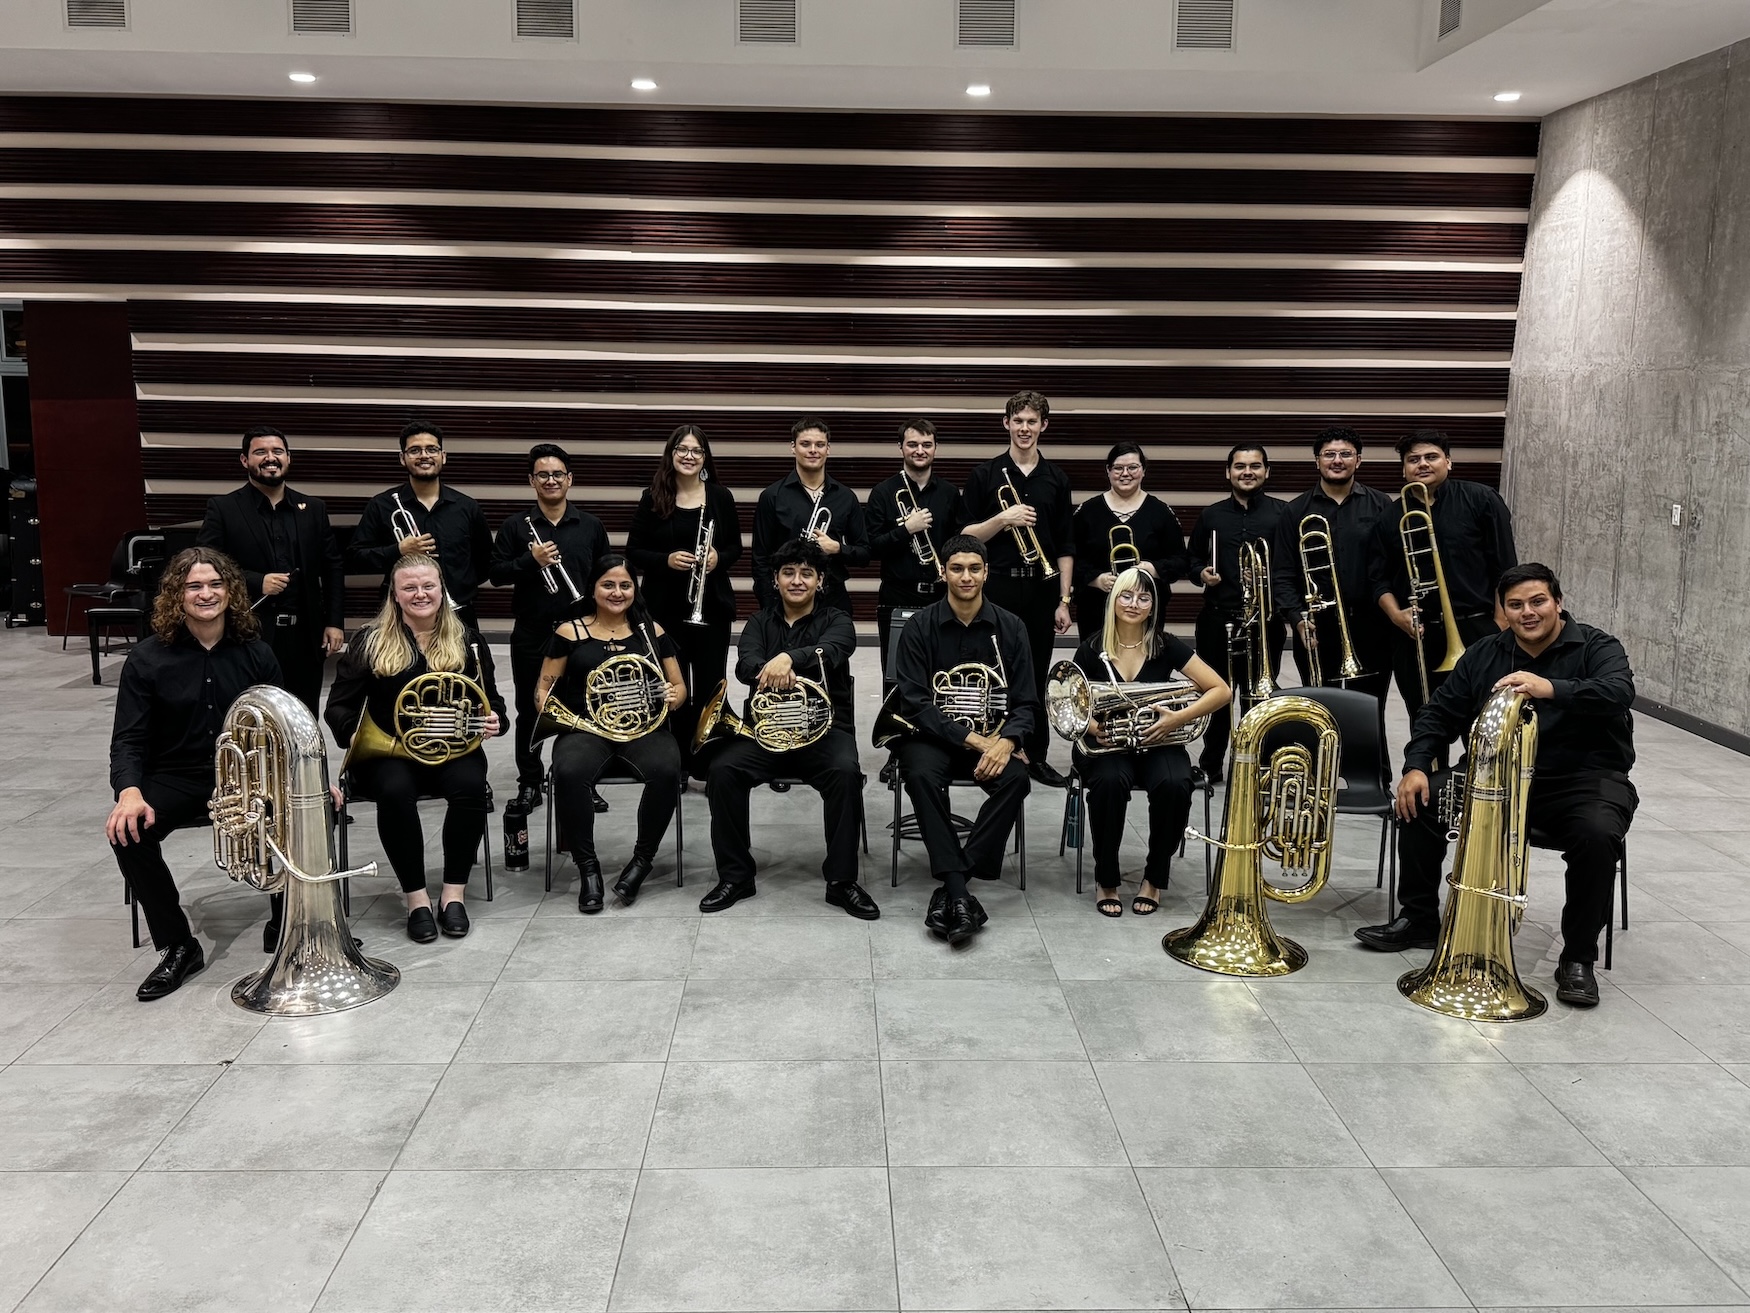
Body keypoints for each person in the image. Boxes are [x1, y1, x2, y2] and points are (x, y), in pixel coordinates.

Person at [1355, 564, 1636, 1009]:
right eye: (1516, 605)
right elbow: (1438, 714)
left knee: (1597, 835)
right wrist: (1415, 765)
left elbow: (1617, 692)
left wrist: (1550, 688)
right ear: (1502, 612)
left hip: (1579, 781)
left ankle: (1577, 958)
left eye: (1538, 601)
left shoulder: (1598, 647)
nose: (1528, 612)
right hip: (1493, 778)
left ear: (1558, 602)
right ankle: (1421, 918)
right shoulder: (1486, 652)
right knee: (1421, 800)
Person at [108, 547, 283, 1000]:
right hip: (176, 775)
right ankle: (179, 946)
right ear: (177, 595)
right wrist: (129, 792)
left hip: (247, 776)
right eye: (194, 586)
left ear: (230, 591)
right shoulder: (147, 659)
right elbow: (128, 739)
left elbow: (283, 726)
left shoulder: (257, 653)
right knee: (128, 831)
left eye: (215, 584)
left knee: (301, 810)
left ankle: (287, 922)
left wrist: (309, 778)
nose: (206, 594)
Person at [326, 554, 505, 943]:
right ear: (394, 593)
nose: (420, 594)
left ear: (442, 590)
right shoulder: (370, 641)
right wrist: (353, 734)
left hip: (454, 748)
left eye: (428, 586)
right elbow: (338, 705)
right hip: (389, 752)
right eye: (410, 587)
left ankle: (453, 894)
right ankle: (417, 898)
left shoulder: (468, 640)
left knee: (471, 788)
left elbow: (492, 702)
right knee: (394, 791)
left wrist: (493, 721)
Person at [699, 538, 878, 919]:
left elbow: (836, 649)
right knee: (722, 770)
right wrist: (771, 666)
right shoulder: (757, 622)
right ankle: (736, 876)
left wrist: (787, 658)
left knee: (846, 774)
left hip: (825, 733)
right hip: (764, 734)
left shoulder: (838, 620)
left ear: (820, 581)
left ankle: (842, 881)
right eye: (788, 573)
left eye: (806, 574)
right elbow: (745, 665)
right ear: (776, 580)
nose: (797, 581)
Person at [891, 534, 1037, 944]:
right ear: (943, 572)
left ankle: (954, 883)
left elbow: (1026, 701)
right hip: (933, 739)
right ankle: (959, 893)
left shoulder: (1011, 626)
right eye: (957, 568)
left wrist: (1006, 741)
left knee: (1017, 780)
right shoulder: (919, 626)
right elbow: (917, 704)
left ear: (986, 572)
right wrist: (977, 741)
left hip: (992, 738)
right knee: (919, 774)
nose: (966, 576)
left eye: (974, 568)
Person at [1068, 568, 1230, 918]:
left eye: (1144, 598)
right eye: (1126, 595)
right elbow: (1069, 703)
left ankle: (1155, 877)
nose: (1134, 604)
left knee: (1175, 783)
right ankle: (1106, 879)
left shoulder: (1166, 645)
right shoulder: (1092, 648)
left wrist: (1178, 718)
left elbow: (1221, 690)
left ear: (1153, 606)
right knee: (1109, 783)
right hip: (1107, 743)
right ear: (1113, 600)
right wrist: (1093, 726)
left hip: (1160, 740)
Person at [536, 556, 686, 913]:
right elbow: (543, 692)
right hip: (586, 728)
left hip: (643, 729)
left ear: (635, 589)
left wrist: (672, 697)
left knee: (667, 770)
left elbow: (679, 688)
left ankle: (641, 863)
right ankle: (589, 870)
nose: (617, 592)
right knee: (570, 772)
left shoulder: (652, 632)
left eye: (625, 585)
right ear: (593, 588)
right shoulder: (569, 632)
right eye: (608, 584)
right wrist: (565, 718)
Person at [489, 443, 610, 815]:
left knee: (584, 706)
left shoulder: (589, 525)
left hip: (580, 631)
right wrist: (530, 560)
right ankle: (529, 783)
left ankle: (580, 779)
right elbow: (495, 574)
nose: (551, 480)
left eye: (558, 474)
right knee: (531, 708)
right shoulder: (515, 526)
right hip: (533, 631)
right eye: (543, 475)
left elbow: (606, 575)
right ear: (532, 480)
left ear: (570, 480)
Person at [961, 390, 1074, 787]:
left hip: (1042, 591)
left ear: (1044, 425)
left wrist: (1064, 600)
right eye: (1018, 421)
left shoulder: (1056, 479)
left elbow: (1064, 545)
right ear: (1006, 423)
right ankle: (987, 745)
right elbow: (966, 534)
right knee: (993, 671)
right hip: (997, 589)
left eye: (1032, 421)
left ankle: (1034, 754)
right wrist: (1003, 518)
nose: (1024, 428)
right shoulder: (985, 474)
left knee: (1036, 674)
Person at [1366, 427, 1517, 721]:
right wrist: (1397, 615)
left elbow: (1506, 568)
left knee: (1484, 722)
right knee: (1425, 722)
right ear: (1403, 469)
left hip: (1478, 627)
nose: (1422, 464)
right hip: (1416, 635)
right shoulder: (1389, 517)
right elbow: (1376, 578)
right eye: (1413, 459)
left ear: (1448, 462)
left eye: (1431, 457)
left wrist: (1499, 625)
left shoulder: (1481, 499)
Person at [196, 424, 345, 713]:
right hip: (249, 633)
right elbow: (206, 567)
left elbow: (332, 567)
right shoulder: (224, 508)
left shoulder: (313, 508)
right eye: (260, 452)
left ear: (289, 458)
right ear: (245, 460)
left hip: (305, 637)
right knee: (251, 714)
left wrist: (335, 621)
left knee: (304, 716)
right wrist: (255, 581)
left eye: (277, 451)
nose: (270, 458)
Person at [625, 424, 742, 779]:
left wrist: (717, 559)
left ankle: (707, 764)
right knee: (672, 689)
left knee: (709, 687)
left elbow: (736, 547)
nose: (689, 456)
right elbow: (633, 551)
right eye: (682, 450)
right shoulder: (653, 496)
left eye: (696, 451)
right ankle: (673, 765)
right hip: (665, 610)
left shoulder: (720, 497)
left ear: (705, 458)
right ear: (671, 455)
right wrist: (665, 560)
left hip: (712, 609)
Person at [1186, 444, 1289, 781]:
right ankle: (1212, 764)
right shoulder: (1211, 515)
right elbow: (1191, 560)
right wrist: (1202, 573)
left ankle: (1257, 763)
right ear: (1228, 472)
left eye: (1255, 466)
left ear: (1267, 472)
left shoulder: (1282, 514)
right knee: (1216, 694)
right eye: (1240, 466)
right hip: (1218, 617)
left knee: (1258, 695)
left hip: (1265, 621)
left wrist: (1266, 579)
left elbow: (1290, 567)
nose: (1248, 472)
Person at [1269, 427, 1395, 702]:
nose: (1337, 460)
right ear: (1317, 461)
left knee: (1371, 710)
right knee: (1322, 707)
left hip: (1372, 626)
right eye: (1329, 454)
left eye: (1345, 454)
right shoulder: (1295, 510)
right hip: (1317, 626)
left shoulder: (1381, 504)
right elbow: (1283, 572)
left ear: (1358, 460)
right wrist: (1296, 618)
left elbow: (1391, 565)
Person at [346, 418, 493, 631]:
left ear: (443, 456)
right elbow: (355, 559)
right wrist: (399, 550)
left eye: (432, 449)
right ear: (402, 458)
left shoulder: (467, 507)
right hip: (400, 618)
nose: (424, 455)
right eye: (415, 450)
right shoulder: (382, 505)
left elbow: (485, 564)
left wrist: (460, 586)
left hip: (458, 615)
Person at [866, 417, 963, 683]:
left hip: (942, 596)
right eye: (912, 444)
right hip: (896, 596)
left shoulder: (950, 493)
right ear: (900, 447)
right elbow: (871, 548)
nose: (919, 450)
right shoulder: (883, 493)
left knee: (941, 673)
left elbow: (960, 541)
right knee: (896, 675)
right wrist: (906, 529)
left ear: (935, 448)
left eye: (926, 444)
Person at [1069, 441, 1189, 645]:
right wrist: (1096, 580)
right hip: (1096, 609)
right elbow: (1070, 559)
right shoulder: (1086, 512)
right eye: (1118, 468)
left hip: (1146, 609)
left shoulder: (1161, 512)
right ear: (1108, 471)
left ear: (1143, 471)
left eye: (1133, 467)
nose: (1125, 473)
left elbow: (1181, 561)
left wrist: (1153, 568)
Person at [750, 416, 868, 617]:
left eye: (820, 444)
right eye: (805, 444)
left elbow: (865, 553)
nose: (813, 450)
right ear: (793, 447)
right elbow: (760, 559)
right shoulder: (772, 496)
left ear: (828, 449)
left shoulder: (846, 497)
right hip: (785, 602)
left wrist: (838, 548)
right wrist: (769, 606)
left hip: (833, 601)